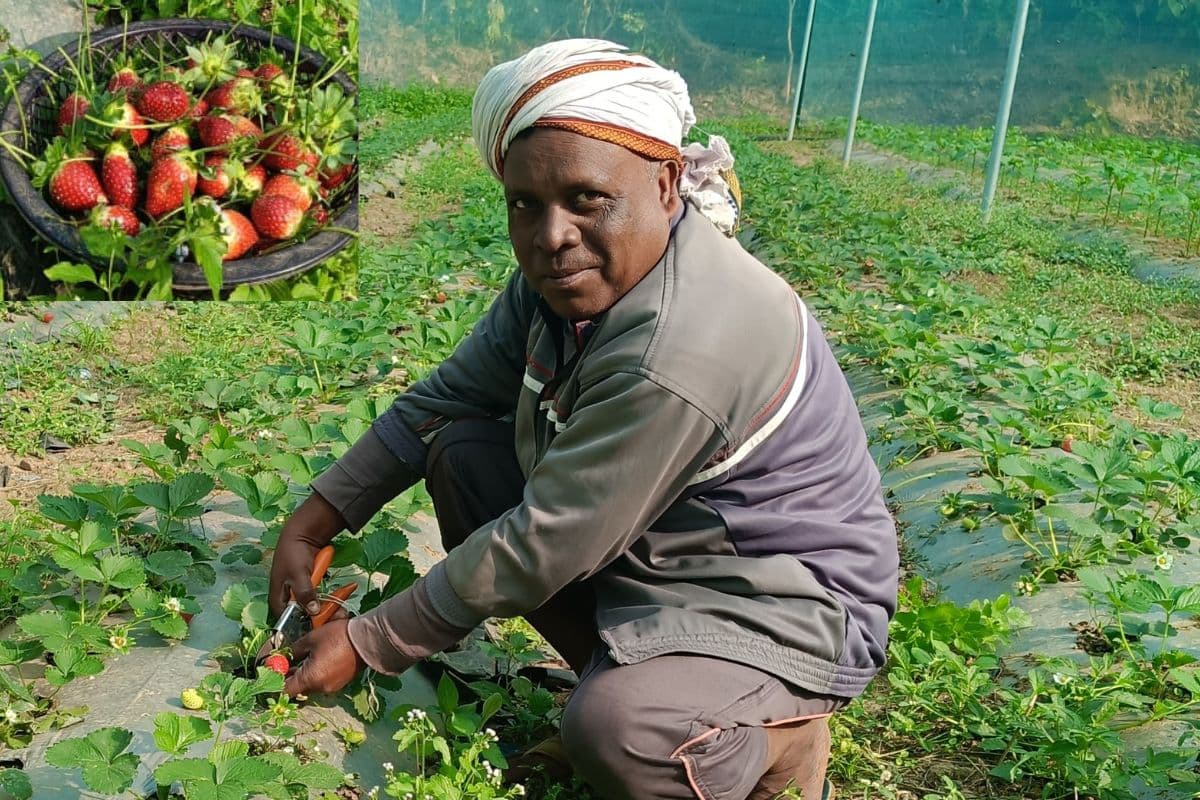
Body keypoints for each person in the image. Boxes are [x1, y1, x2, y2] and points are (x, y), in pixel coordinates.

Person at [269, 38, 898, 800]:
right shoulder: (568, 284)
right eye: (525, 205)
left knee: (620, 729)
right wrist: (313, 521)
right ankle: (640, 677)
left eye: (586, 198)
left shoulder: (684, 342)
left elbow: (545, 542)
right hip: (668, 554)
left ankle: (773, 739)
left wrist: (371, 641)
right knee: (464, 456)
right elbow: (445, 401)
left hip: (783, 604)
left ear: (667, 185)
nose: (552, 235)